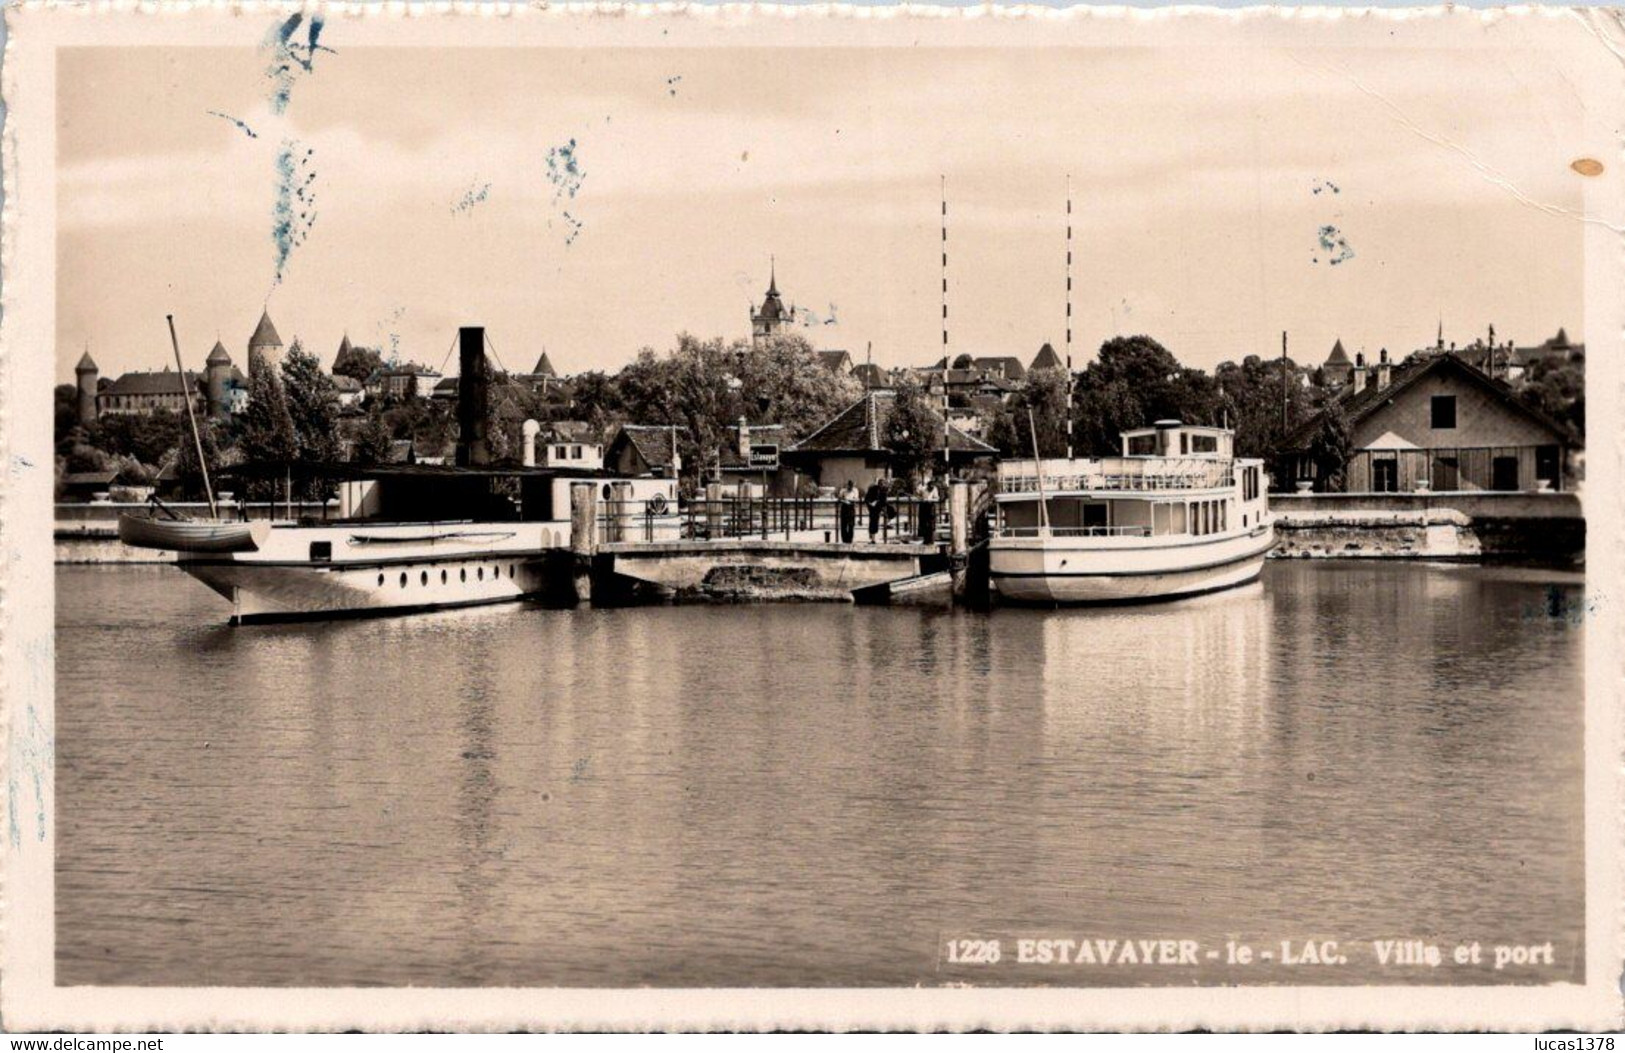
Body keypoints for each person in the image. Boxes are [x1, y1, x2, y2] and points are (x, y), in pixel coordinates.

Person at [915, 473, 939, 543]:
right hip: (923, 506)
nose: (931, 487)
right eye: (929, 485)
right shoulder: (922, 488)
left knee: (931, 523)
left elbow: (937, 498)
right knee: (923, 523)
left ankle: (931, 539)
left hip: (931, 506)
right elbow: (917, 495)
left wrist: (931, 500)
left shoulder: (934, 489)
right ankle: (925, 539)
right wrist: (921, 498)